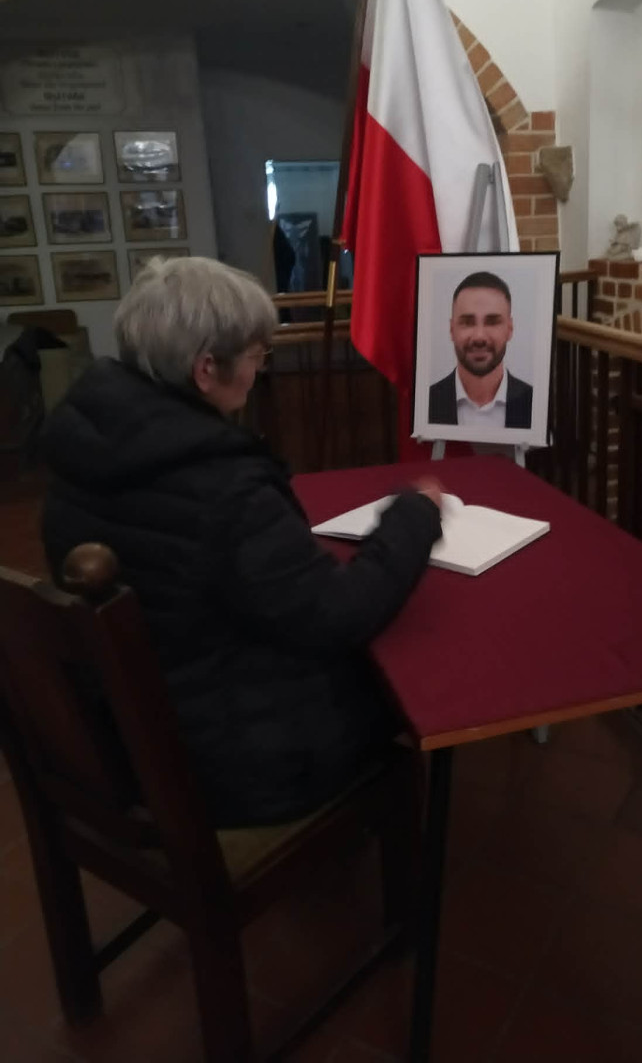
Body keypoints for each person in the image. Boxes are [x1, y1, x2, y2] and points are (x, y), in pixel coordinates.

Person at [41, 256, 443, 828]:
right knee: (405, 688)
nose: (259, 371)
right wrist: (415, 516)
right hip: (232, 766)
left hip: (123, 738)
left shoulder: (80, 448)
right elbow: (336, 616)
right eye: (257, 355)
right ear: (207, 368)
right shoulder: (223, 487)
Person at [428, 270, 533, 430]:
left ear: (510, 329)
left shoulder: (535, 405)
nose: (479, 337)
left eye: (492, 322)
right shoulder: (426, 403)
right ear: (451, 329)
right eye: (467, 322)